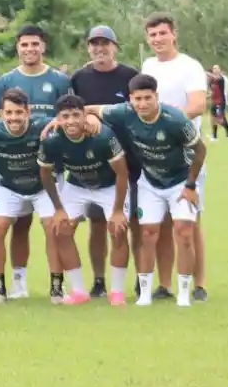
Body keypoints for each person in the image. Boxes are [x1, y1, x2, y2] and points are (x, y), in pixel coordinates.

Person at [89, 74, 208, 307]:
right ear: (130, 99)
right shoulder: (123, 112)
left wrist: (191, 186)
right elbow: (90, 109)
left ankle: (184, 294)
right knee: (147, 234)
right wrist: (87, 118)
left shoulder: (175, 120)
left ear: (157, 97)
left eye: (147, 98)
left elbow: (200, 151)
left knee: (184, 233)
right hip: (150, 182)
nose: (142, 104)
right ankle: (144, 294)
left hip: (181, 182)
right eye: (137, 99)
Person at [0, 24, 71, 301]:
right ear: (17, 47)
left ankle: (57, 286)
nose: (29, 49)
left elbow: (72, 114)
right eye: (24, 44)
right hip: (11, 178)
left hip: (48, 174)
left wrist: (59, 122)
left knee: (53, 226)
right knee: (9, 226)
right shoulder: (5, 81)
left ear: (43, 46)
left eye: (34, 44)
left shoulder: (60, 80)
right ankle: (10, 285)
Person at [68, 25, 141, 297]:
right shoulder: (79, 78)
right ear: (88, 47)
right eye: (94, 44)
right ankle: (99, 281)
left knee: (129, 223)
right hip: (89, 164)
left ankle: (138, 278)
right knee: (97, 224)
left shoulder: (131, 75)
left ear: (115, 46)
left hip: (127, 160)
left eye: (105, 43)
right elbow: (69, 111)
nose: (100, 49)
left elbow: (136, 110)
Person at [38, 94, 131, 306]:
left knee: (118, 229)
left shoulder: (102, 136)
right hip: (77, 185)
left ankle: (116, 293)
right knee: (60, 228)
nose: (70, 121)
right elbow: (45, 174)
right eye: (65, 116)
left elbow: (122, 173)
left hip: (109, 186)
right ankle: (79, 292)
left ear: (84, 116)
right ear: (58, 119)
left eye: (75, 115)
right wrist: (58, 208)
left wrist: (117, 211)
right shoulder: (52, 140)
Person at [141, 13, 209, 302]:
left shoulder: (190, 66)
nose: (158, 39)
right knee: (162, 224)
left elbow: (198, 104)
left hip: (186, 156)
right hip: (157, 157)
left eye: (162, 34)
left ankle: (200, 284)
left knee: (190, 225)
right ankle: (165, 284)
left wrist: (166, 120)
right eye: (152, 35)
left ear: (174, 34)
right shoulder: (148, 65)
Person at [0, 89, 52, 303]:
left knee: (53, 227)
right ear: (0, 113)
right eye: (9, 113)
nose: (13, 117)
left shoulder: (43, 125)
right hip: (10, 187)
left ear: (28, 112)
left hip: (43, 187)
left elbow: (70, 118)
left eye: (18, 112)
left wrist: (87, 117)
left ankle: (56, 288)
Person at [208, 65, 228, 141]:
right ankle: (214, 137)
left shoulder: (221, 79)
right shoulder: (211, 80)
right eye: (214, 68)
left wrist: (206, 73)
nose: (215, 70)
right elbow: (212, 91)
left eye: (216, 68)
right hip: (214, 102)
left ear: (219, 70)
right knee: (213, 119)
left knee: (220, 119)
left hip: (220, 101)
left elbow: (216, 78)